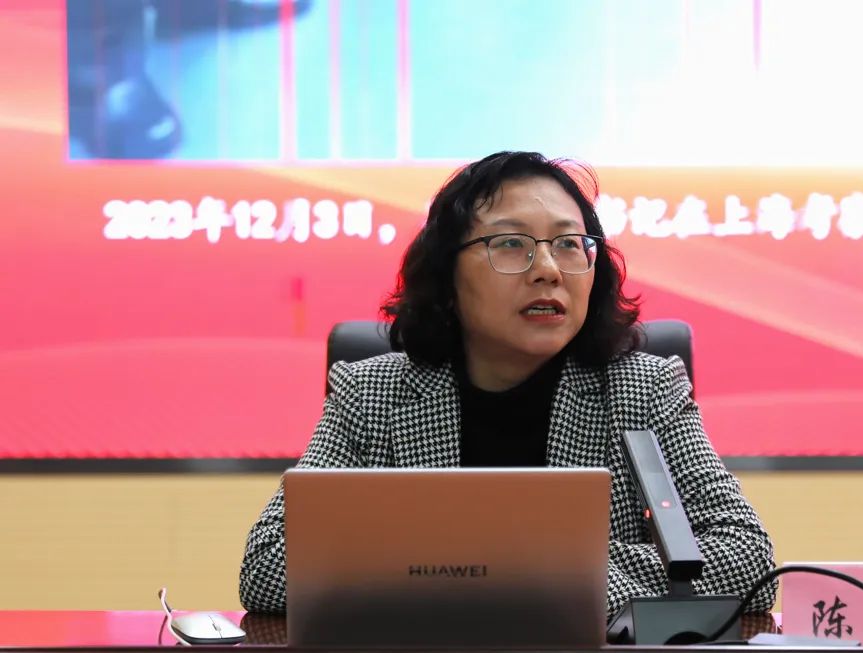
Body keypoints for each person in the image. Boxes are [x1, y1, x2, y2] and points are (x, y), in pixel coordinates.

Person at [239, 151, 777, 619]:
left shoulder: (643, 389)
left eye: (569, 244)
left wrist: (484, 571)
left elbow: (746, 557)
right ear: (448, 276)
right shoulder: (371, 395)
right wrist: (533, 575)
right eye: (512, 244)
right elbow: (268, 567)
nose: (548, 269)